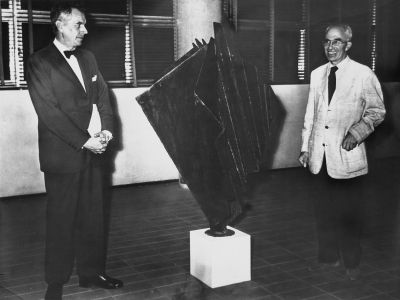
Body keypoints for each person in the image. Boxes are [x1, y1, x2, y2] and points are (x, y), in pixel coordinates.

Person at [26, 2, 123, 299]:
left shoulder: (89, 58)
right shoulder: (39, 61)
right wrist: (84, 140)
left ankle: (91, 274)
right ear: (59, 24)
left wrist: (105, 131)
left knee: (93, 216)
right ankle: (55, 281)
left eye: (83, 24)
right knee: (61, 219)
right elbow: (49, 112)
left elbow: (104, 99)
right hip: (63, 155)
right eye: (78, 24)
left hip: (94, 151)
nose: (85, 29)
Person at [299, 23, 385, 280]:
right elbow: (310, 116)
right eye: (327, 41)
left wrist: (356, 133)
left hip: (347, 159)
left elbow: (377, 112)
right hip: (319, 158)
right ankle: (328, 258)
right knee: (323, 212)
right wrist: (305, 147)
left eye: (337, 42)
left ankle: (352, 263)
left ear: (348, 44)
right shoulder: (317, 74)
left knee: (349, 214)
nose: (330, 47)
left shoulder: (363, 74)